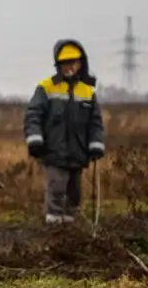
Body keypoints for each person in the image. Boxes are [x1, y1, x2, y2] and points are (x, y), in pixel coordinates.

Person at [23, 40, 105, 223]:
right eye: (65, 63)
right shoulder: (46, 88)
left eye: (73, 62)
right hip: (54, 152)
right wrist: (35, 140)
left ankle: (70, 230)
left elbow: (94, 121)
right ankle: (53, 229)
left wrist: (96, 144)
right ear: (58, 65)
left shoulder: (87, 92)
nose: (69, 66)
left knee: (74, 195)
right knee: (57, 190)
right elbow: (33, 115)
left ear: (80, 64)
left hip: (78, 153)